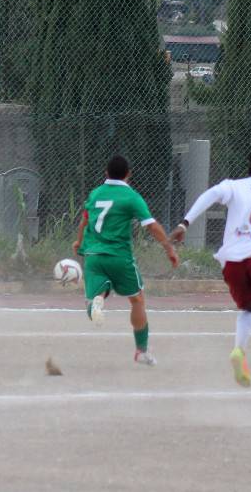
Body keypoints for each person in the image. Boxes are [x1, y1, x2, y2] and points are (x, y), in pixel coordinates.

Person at [170, 148, 251, 403]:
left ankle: (239, 349)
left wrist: (185, 223)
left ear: (248, 167)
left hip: (233, 260)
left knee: (249, 307)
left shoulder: (235, 186)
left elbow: (210, 195)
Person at [72, 155, 179, 366]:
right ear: (129, 174)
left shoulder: (95, 194)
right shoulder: (131, 197)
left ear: (106, 173)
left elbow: (84, 220)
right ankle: (141, 351)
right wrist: (169, 248)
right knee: (137, 300)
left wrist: (78, 242)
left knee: (98, 293)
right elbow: (152, 226)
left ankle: (95, 303)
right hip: (120, 257)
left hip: (93, 256)